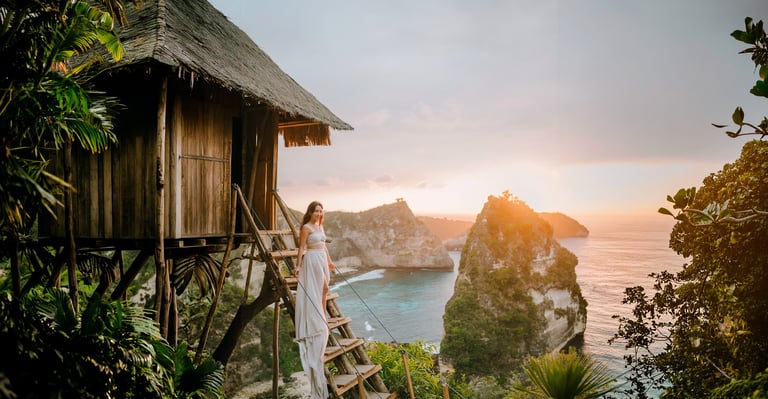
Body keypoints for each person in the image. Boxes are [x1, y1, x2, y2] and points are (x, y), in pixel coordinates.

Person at [293, 201, 335, 399]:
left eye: (321, 211)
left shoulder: (319, 226)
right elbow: (301, 248)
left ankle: (322, 316)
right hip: (311, 260)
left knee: (325, 290)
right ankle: (319, 317)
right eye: (316, 210)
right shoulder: (306, 228)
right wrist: (298, 266)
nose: (319, 213)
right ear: (310, 212)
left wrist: (330, 261)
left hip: (322, 260)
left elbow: (324, 246)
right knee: (320, 289)